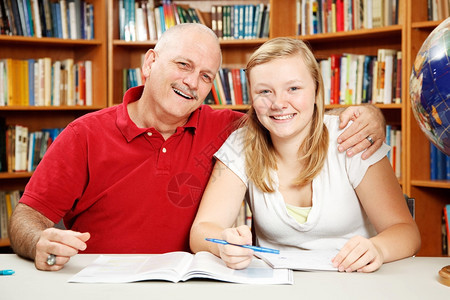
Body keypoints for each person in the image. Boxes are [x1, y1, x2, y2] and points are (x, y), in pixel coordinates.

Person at [9, 24, 386, 271]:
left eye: (206, 76)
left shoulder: (229, 128)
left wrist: (368, 115)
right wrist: (39, 239)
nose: (192, 82)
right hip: (100, 281)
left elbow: (287, 113)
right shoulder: (85, 135)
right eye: (183, 65)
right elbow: (26, 216)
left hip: (189, 283)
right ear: (150, 62)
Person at [190, 37, 421, 273]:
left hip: (355, 282)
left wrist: (378, 249)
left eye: (293, 88)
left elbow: (405, 231)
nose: (279, 103)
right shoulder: (241, 144)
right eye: (265, 91)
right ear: (252, 97)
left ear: (316, 90)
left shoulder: (353, 136)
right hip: (276, 286)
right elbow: (202, 230)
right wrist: (224, 244)